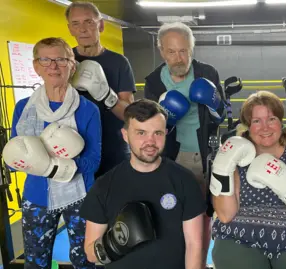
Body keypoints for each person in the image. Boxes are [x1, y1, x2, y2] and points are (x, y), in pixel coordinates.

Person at [2, 37, 101, 269]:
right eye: (45, 60)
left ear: (72, 65)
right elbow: (14, 161)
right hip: (37, 196)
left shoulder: (87, 109)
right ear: (36, 66)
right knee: (36, 263)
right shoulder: (24, 108)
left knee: (86, 261)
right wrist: (28, 161)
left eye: (60, 59)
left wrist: (58, 166)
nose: (53, 66)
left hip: (80, 196)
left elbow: (94, 161)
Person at [80, 99, 205, 269]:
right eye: (141, 133)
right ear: (125, 135)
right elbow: (90, 254)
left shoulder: (184, 180)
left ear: (165, 133)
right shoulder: (104, 186)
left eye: (157, 133)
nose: (150, 141)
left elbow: (194, 244)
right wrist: (116, 242)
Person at [143, 21, 226, 267]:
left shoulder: (207, 73)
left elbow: (219, 115)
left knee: (202, 215)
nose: (178, 58)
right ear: (162, 51)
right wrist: (167, 120)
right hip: (169, 157)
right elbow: (148, 128)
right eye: (171, 51)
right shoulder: (154, 82)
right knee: (168, 214)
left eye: (183, 51)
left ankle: (198, 263)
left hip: (201, 155)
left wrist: (213, 104)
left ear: (192, 49)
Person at [210, 91, 286, 269]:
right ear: (248, 126)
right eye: (256, 121)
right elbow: (225, 215)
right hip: (240, 235)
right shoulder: (237, 155)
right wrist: (223, 168)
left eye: (271, 119)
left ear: (280, 122)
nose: (265, 127)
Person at [66, 1, 136, 177]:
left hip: (114, 149)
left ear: (101, 25)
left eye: (89, 22)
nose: (83, 29)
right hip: (75, 150)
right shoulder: (63, 62)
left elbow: (129, 115)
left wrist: (105, 95)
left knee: (117, 202)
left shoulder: (119, 62)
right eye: (76, 23)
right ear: (70, 29)